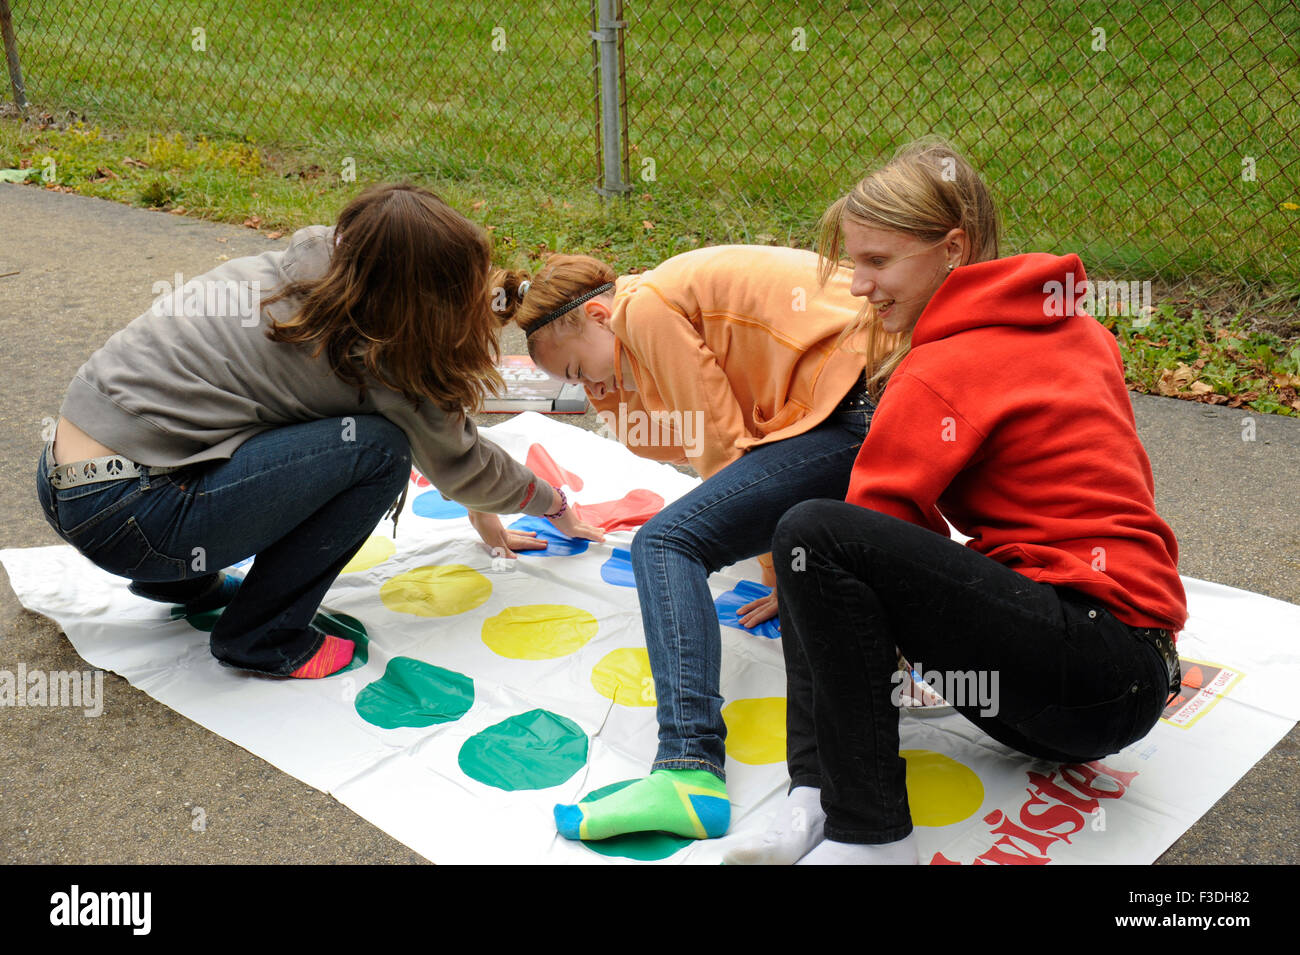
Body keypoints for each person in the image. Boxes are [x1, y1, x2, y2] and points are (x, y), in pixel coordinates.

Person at [727, 139, 1187, 864]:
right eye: (855, 262)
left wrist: (827, 607)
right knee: (825, 545)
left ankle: (862, 828)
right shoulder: (1078, 328)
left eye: (878, 261)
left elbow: (868, 538)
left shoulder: (938, 369)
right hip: (1132, 679)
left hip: (1085, 664)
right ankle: (816, 796)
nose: (858, 285)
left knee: (813, 534)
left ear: (953, 247)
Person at [36, 183, 602, 679]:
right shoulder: (385, 351)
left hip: (67, 485)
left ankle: (184, 584)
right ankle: (263, 639)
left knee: (281, 424)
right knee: (376, 451)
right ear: (422, 303)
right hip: (134, 520)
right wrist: (552, 504)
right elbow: (462, 466)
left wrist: (479, 494)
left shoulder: (289, 276)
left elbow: (456, 458)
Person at [490, 244, 896, 842]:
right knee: (705, 534)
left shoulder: (644, 309)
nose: (588, 388)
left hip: (859, 402)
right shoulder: (643, 306)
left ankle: (688, 769)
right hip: (848, 399)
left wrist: (779, 566)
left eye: (577, 373)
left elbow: (719, 447)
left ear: (600, 319)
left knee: (663, 545)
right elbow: (660, 439)